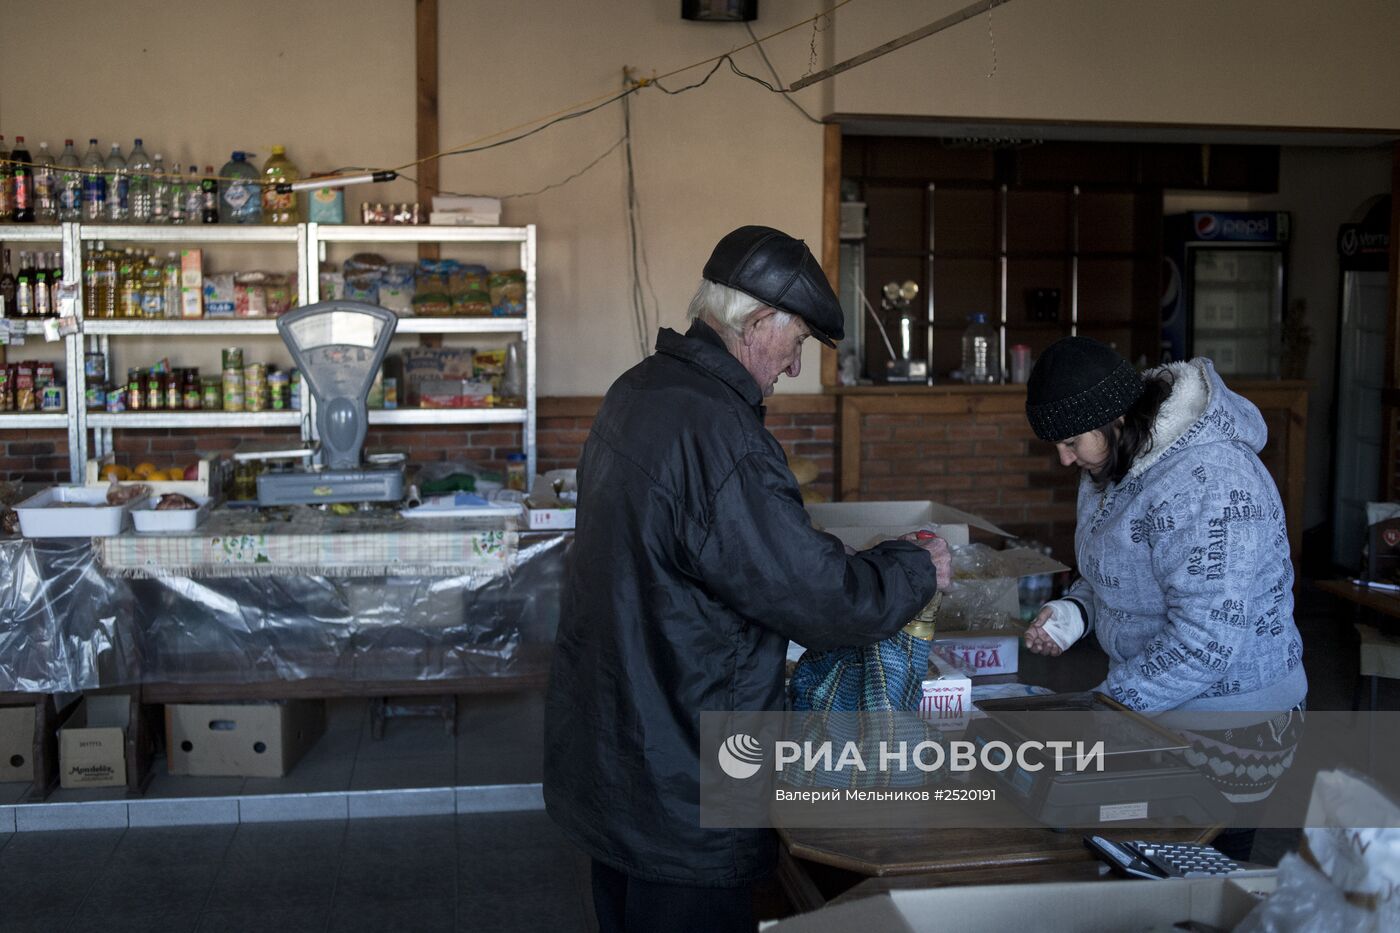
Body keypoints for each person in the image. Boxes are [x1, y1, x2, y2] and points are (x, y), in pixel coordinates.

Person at [544, 225, 951, 933]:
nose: (793, 368)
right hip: (687, 784)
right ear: (758, 322)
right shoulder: (722, 435)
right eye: (795, 346)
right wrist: (916, 567)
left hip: (615, 764)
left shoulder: (636, 392)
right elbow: (824, 602)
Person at [1021, 336, 1306, 857]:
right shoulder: (1117, 458)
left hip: (1232, 726)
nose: (1064, 460)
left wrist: (1103, 709)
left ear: (1116, 419)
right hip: (1158, 707)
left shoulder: (1209, 483)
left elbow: (1206, 641)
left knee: (1187, 876)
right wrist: (1076, 610)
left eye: (1070, 443)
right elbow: (1124, 568)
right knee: (1124, 859)